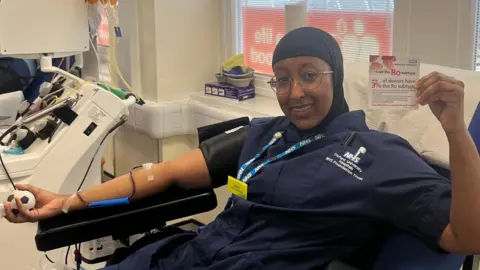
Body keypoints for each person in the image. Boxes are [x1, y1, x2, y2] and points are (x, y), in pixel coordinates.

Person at [3, 27, 478, 269]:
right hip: (191, 255)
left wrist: (456, 132)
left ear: (334, 74)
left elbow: (466, 237)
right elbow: (163, 175)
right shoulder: (266, 133)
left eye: (310, 75)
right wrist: (66, 202)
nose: (295, 93)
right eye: (284, 79)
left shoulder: (375, 153)